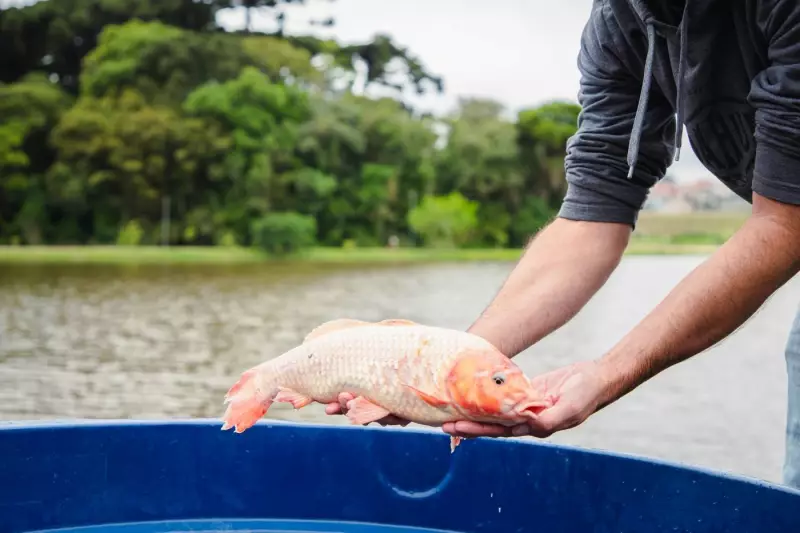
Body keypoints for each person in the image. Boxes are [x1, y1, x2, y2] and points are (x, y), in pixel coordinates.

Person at [325, 0, 800, 488]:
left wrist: (609, 372)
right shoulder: (620, 20)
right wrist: (454, 366)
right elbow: (593, 213)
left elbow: (785, 225)